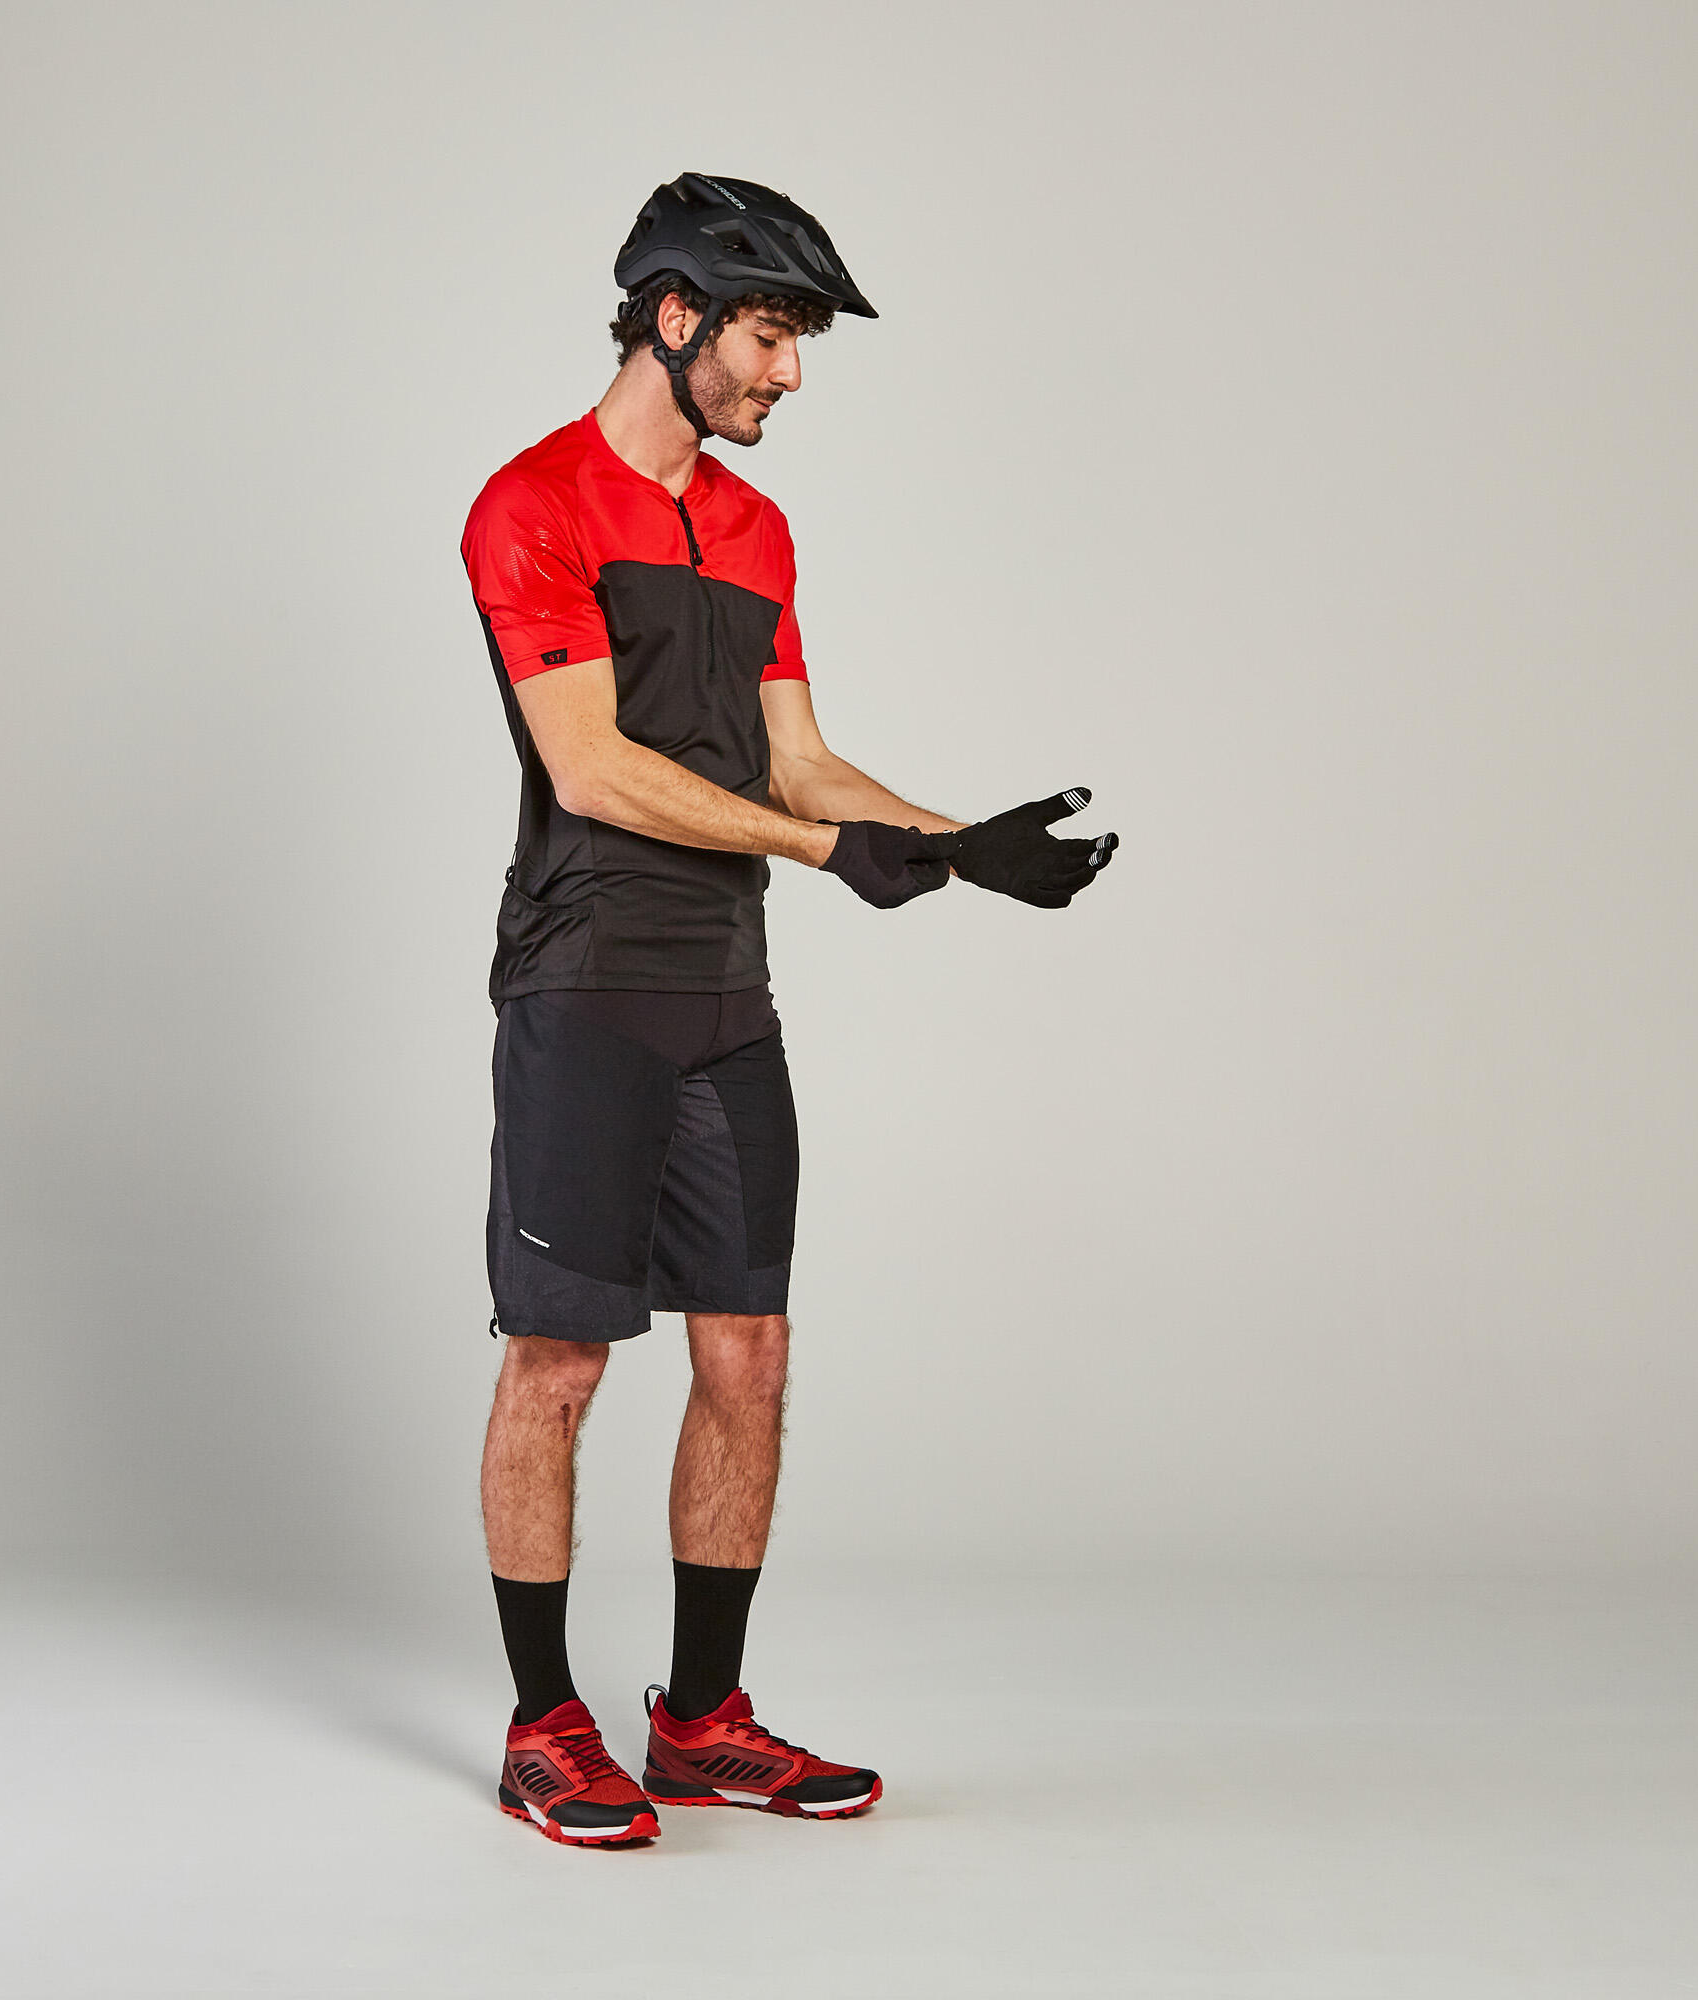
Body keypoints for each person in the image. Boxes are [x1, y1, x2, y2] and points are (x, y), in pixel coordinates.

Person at [459, 173, 1118, 1847]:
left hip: (725, 992)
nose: (789, 374)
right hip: (587, 986)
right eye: (767, 335)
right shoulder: (531, 503)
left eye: (796, 341)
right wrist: (831, 851)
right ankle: (544, 1724)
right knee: (559, 1362)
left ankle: (699, 1721)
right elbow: (593, 768)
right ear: (674, 317)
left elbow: (796, 759)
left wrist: (960, 847)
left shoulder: (755, 531)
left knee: (747, 1349)